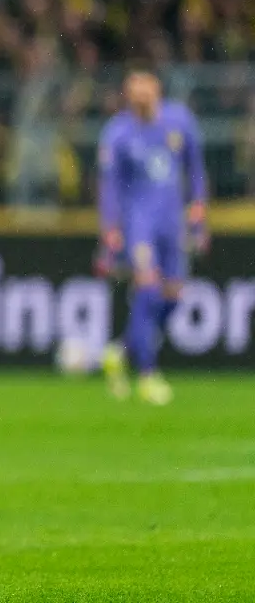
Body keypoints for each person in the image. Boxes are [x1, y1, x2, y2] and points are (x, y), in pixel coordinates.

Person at [96, 70, 208, 405]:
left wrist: (199, 213)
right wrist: (111, 228)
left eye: (145, 94)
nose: (140, 101)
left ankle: (122, 351)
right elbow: (110, 186)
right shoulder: (118, 133)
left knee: (172, 297)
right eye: (134, 96)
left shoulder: (180, 121)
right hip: (139, 224)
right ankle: (148, 375)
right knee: (147, 288)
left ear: (157, 92)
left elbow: (196, 169)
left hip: (172, 223)